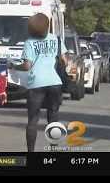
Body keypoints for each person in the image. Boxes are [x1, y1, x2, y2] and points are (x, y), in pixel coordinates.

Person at [8, 13, 68, 152]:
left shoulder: (29, 42)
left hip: (36, 84)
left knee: (33, 120)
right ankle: (54, 150)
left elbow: (27, 66)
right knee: (53, 118)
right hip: (55, 82)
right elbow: (64, 61)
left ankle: (31, 152)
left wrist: (14, 66)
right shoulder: (56, 39)